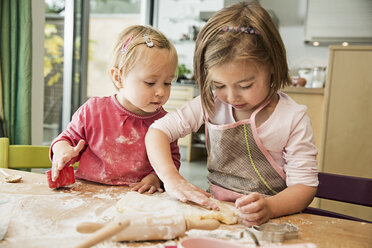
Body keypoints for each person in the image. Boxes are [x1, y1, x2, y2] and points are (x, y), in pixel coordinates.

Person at [145, 2, 318, 226]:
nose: (231, 97)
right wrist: (171, 179)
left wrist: (270, 207)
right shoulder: (210, 103)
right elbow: (157, 131)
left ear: (273, 65)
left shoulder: (292, 118)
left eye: (245, 85)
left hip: (269, 221)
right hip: (216, 214)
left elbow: (304, 187)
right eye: (219, 85)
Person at [50, 25, 180, 194]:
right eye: (150, 82)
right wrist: (63, 150)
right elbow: (66, 139)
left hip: (137, 198)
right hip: (89, 194)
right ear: (119, 78)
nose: (161, 92)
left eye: (167, 83)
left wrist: (156, 177)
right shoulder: (93, 111)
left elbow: (172, 160)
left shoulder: (166, 123)